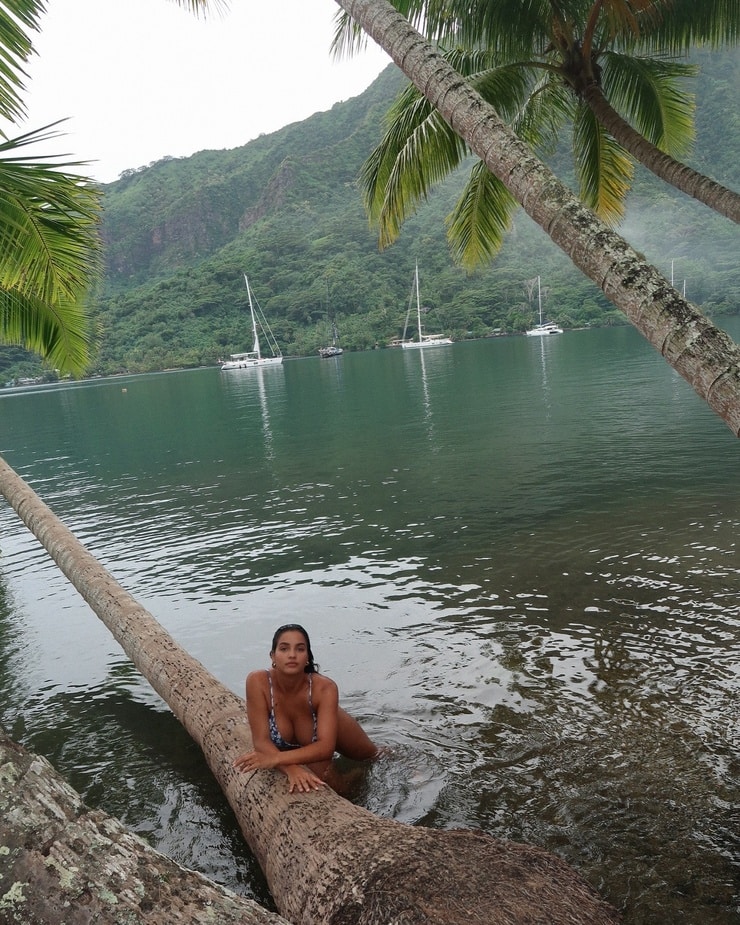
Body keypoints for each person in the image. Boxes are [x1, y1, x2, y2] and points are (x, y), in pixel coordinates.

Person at [233, 623, 379, 793]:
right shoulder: (258, 682)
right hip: (305, 752)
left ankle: (357, 776)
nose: (292, 655)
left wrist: (277, 758)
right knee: (317, 771)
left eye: (300, 649)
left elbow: (325, 748)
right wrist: (291, 768)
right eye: (284, 649)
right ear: (273, 656)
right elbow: (261, 741)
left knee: (341, 775)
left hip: (366, 755)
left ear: (307, 657)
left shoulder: (324, 688)